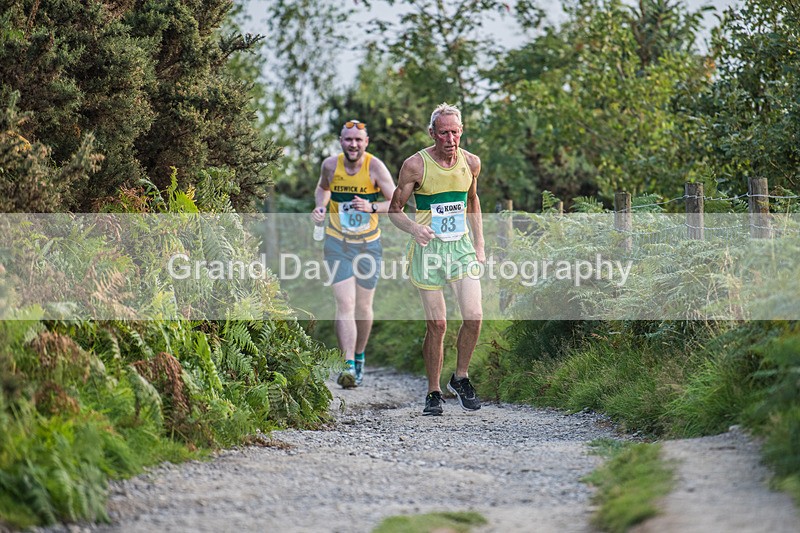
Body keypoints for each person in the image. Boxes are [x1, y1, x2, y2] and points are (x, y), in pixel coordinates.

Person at [388, 103, 484, 416]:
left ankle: (461, 377)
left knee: (474, 316)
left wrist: (480, 245)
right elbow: (394, 210)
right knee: (438, 324)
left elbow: (472, 201)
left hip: (461, 249)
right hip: (427, 252)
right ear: (433, 133)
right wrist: (415, 228)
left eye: (455, 131)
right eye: (443, 132)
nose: (450, 138)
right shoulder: (415, 165)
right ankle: (433, 391)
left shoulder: (471, 163)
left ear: (461, 131)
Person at [311, 120, 396, 388]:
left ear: (366, 142)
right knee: (345, 304)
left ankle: (359, 356)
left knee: (362, 307)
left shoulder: (375, 167)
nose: (353, 144)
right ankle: (347, 364)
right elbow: (323, 188)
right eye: (348, 139)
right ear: (341, 141)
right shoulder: (330, 166)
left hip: (369, 244)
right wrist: (321, 208)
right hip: (338, 242)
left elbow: (396, 202)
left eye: (358, 140)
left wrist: (371, 207)